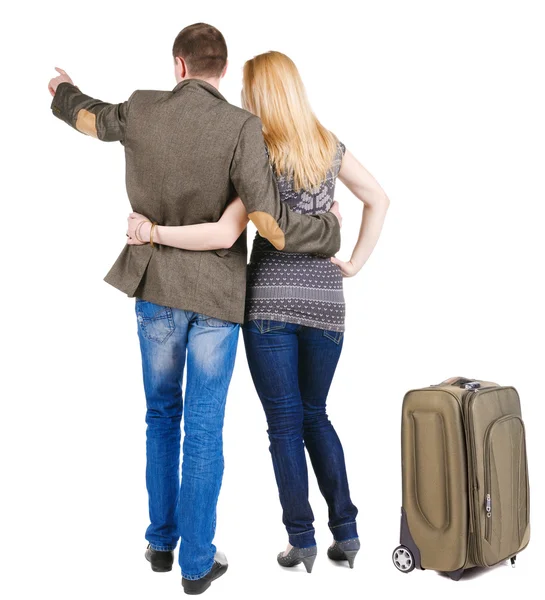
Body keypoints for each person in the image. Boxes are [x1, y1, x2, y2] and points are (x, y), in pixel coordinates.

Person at [48, 25, 341, 595]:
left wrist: (61, 89)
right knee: (203, 430)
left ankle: (160, 542)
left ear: (178, 66)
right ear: (222, 71)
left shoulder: (142, 108)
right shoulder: (242, 127)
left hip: (155, 288)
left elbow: (89, 117)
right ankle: (196, 563)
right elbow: (270, 224)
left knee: (161, 416)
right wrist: (327, 230)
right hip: (216, 300)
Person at [127, 50, 389, 573]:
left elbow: (226, 232)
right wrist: (353, 261)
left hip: (268, 302)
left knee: (283, 426)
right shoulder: (327, 145)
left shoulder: (256, 151)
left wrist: (149, 231)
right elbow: (379, 198)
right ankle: (348, 531)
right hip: (327, 305)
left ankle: (302, 541)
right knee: (317, 415)